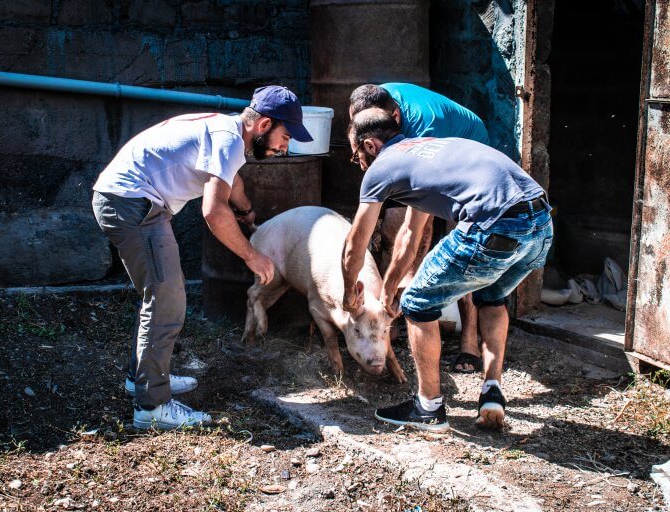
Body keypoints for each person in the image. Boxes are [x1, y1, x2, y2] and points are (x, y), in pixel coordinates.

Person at [92, 86, 312, 430]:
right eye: (285, 137)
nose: (285, 148)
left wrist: (247, 211)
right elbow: (212, 211)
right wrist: (252, 256)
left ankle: (144, 379)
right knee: (166, 300)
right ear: (265, 124)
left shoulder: (227, 132)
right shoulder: (227, 139)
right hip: (132, 203)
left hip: (127, 199)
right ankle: (152, 407)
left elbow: (232, 181)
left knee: (160, 296)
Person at [341, 108, 552, 431]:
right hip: (540, 222)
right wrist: (386, 289)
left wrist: (347, 294)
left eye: (357, 158)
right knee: (492, 295)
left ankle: (428, 407)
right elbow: (409, 237)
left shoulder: (381, 167)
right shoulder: (425, 152)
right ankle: (492, 389)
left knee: (417, 305)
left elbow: (356, 243)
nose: (360, 166)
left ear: (369, 145)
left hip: (493, 224)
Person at [349, 83, 489, 374]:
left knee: (462, 245)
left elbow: (416, 234)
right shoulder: (371, 104)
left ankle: (469, 340)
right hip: (415, 157)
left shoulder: (426, 128)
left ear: (395, 117)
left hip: (466, 163)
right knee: (393, 228)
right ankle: (391, 317)